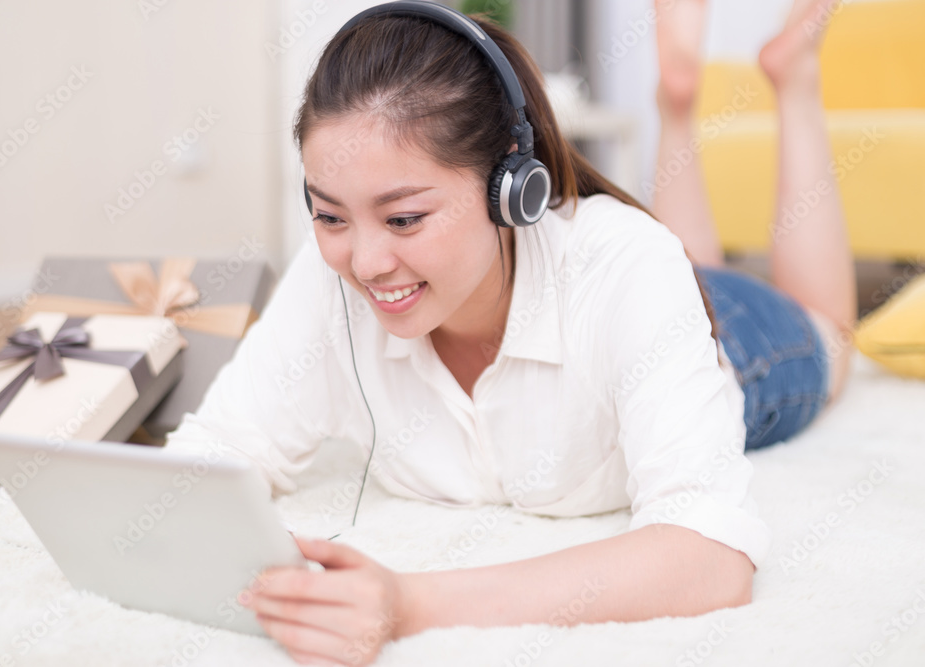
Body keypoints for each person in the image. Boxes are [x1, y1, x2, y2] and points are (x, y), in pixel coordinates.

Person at [165, 1, 855, 664]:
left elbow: (712, 556)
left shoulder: (627, 265)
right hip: (655, 297)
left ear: (511, 187)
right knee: (686, 260)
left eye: (404, 218)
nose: (365, 263)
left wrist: (409, 601)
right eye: (330, 216)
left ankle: (792, 78)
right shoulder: (332, 277)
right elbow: (214, 450)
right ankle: (678, 100)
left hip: (734, 337)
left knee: (829, 337)